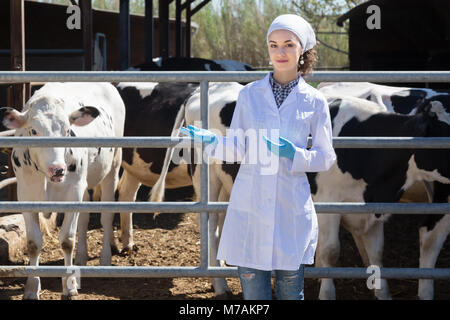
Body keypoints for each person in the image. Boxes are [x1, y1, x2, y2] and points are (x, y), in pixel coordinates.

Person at [180, 14, 336, 300]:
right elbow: (238, 148)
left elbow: (326, 157)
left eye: (289, 44)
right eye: (273, 45)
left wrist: (296, 154)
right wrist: (211, 141)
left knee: (291, 293)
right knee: (253, 297)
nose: (280, 52)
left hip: (290, 209)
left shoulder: (314, 101)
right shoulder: (250, 94)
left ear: (303, 50)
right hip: (249, 207)